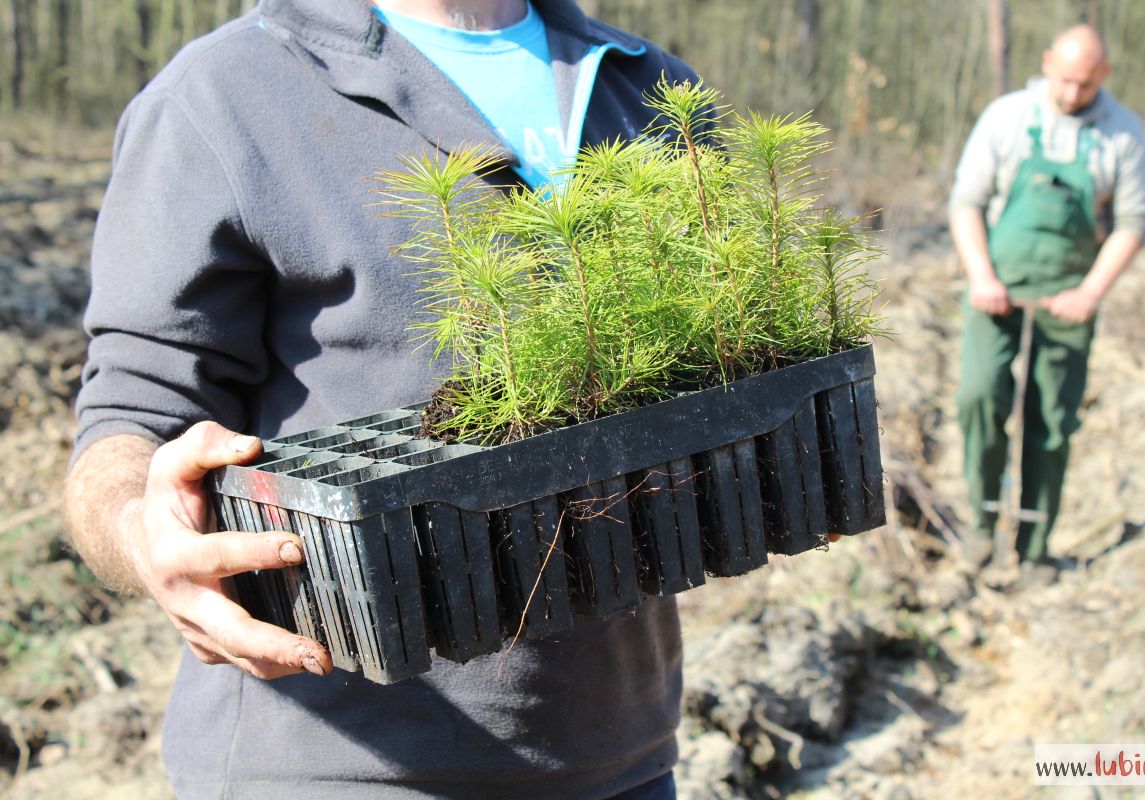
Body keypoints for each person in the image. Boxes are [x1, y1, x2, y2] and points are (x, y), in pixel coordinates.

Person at [63, 1, 705, 797]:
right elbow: (131, 411)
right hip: (335, 762)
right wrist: (139, 527)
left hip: (619, 757)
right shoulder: (225, 93)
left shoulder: (648, 85)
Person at [949, 24, 1145, 565]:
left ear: (1103, 76)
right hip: (997, 290)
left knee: (1053, 421)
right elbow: (966, 203)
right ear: (1046, 64)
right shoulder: (1007, 117)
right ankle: (981, 523)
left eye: (1084, 85)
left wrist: (1090, 292)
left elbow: (1132, 224)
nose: (1070, 94)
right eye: (1063, 80)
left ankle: (1035, 544)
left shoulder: (1124, 133)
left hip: (1068, 301)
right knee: (979, 397)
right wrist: (982, 277)